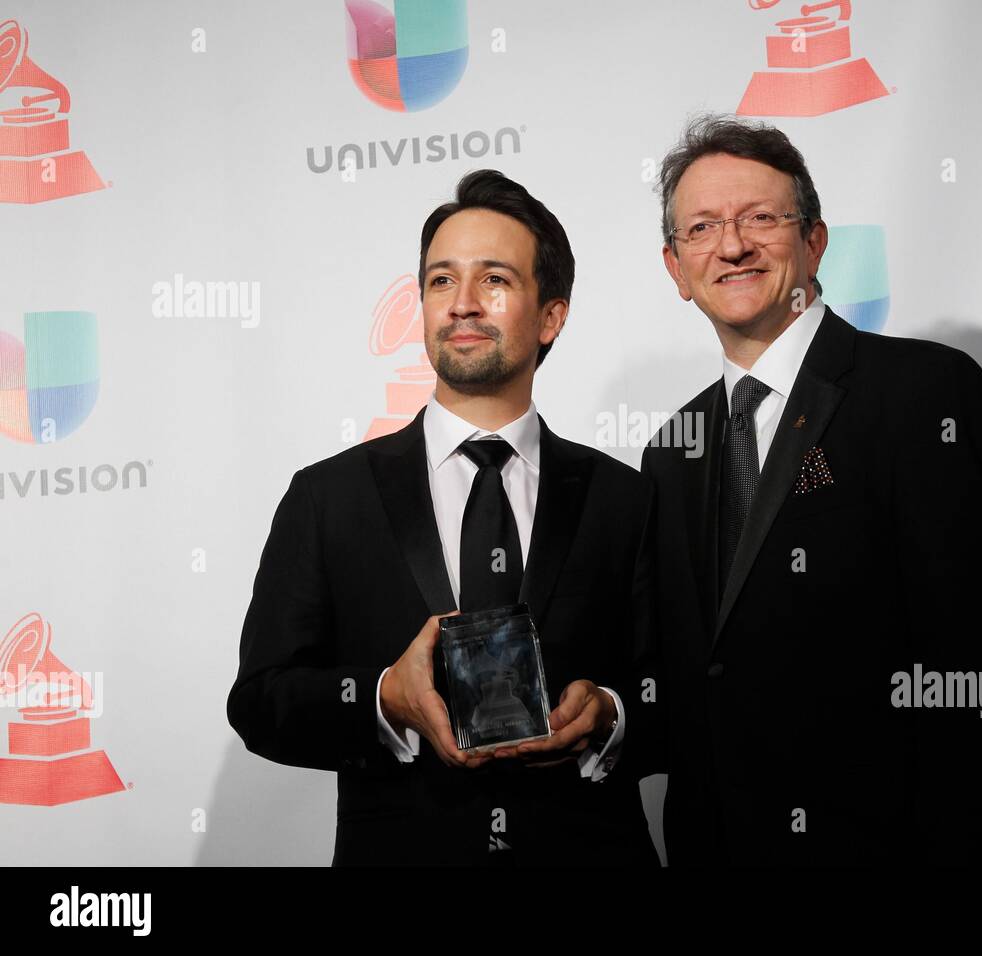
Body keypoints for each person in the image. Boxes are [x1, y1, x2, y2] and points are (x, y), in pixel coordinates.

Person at [228, 169, 660, 866]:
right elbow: (261, 701)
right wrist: (381, 698)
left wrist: (612, 714)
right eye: (439, 281)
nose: (461, 304)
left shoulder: (625, 499)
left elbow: (684, 694)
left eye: (494, 280)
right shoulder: (327, 498)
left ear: (551, 315)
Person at [641, 114, 982, 865]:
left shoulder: (926, 393)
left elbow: (980, 671)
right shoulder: (671, 450)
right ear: (675, 267)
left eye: (761, 217)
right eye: (702, 228)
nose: (731, 245)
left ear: (815, 240)